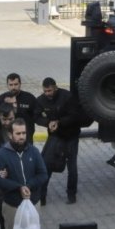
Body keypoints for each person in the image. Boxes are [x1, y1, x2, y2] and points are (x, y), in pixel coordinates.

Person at [36, 77, 84, 205]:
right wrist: (48, 123)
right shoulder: (41, 100)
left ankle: (71, 194)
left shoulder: (67, 97)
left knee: (72, 166)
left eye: (50, 91)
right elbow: (36, 116)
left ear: (55, 88)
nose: (47, 94)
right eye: (45, 91)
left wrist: (59, 122)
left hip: (71, 136)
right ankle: (42, 195)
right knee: (47, 164)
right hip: (55, 136)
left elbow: (75, 115)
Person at [0, 73, 38, 142]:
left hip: (25, 136)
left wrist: (17, 107)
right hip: (7, 137)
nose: (13, 87)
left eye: (16, 84)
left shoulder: (29, 98)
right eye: (11, 85)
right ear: (7, 85)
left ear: (20, 84)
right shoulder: (1, 98)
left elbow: (36, 116)